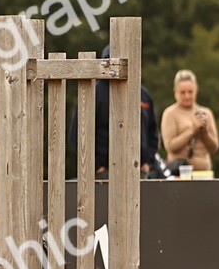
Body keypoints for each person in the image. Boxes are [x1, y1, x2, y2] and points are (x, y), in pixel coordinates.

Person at [69, 45, 161, 179]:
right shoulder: (93, 94)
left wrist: (147, 162)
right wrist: (96, 166)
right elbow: (77, 134)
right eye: (111, 63)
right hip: (102, 175)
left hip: (138, 173)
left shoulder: (143, 95)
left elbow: (153, 132)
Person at [160, 69, 219, 175]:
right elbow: (170, 146)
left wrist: (204, 132)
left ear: (196, 89)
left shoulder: (206, 113)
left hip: (204, 172)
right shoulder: (170, 113)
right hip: (180, 173)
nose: (187, 96)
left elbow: (214, 147)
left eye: (190, 92)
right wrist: (192, 130)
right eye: (182, 92)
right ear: (175, 91)